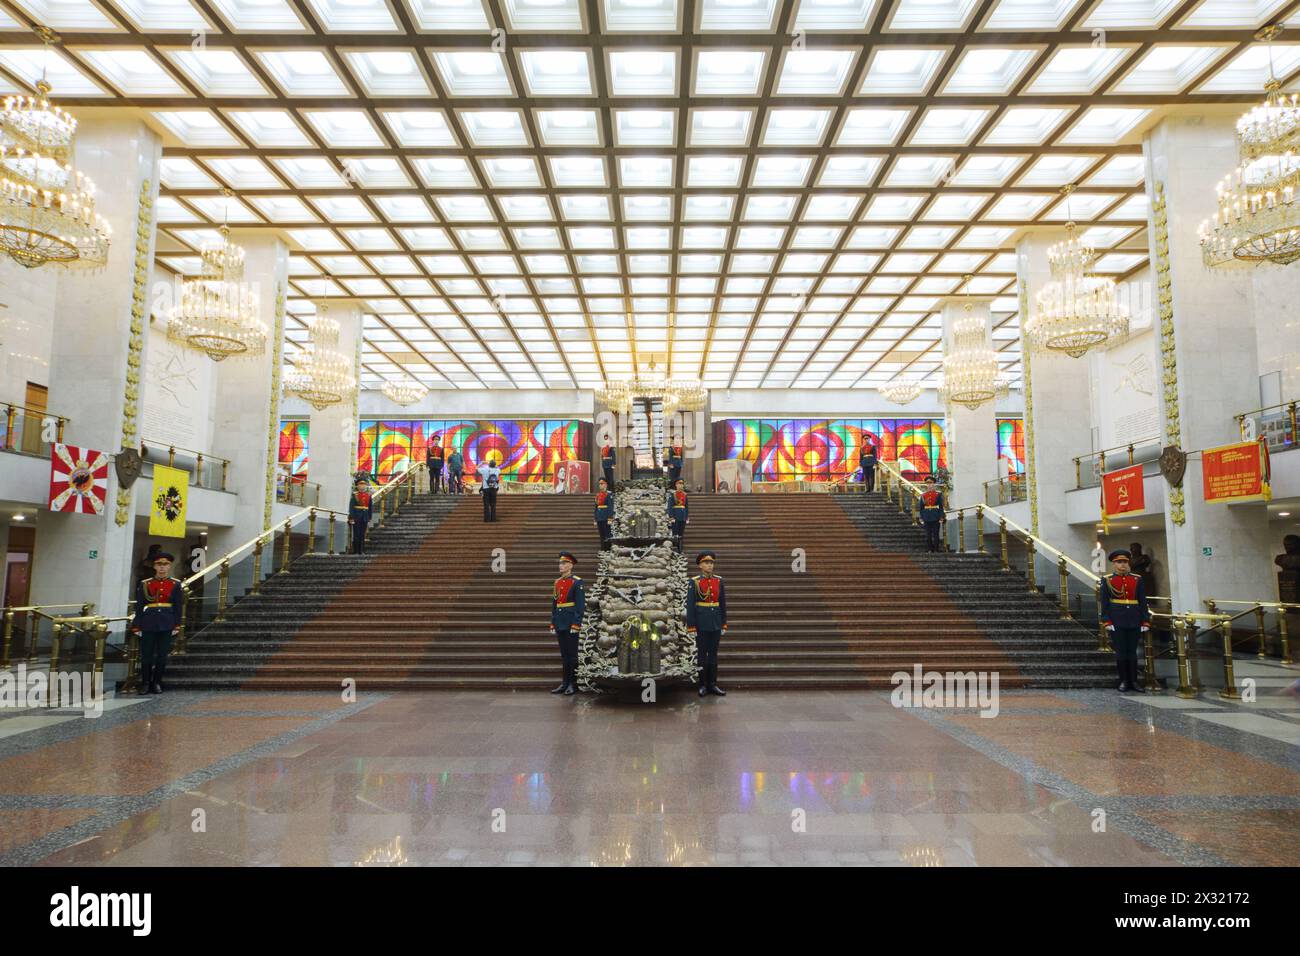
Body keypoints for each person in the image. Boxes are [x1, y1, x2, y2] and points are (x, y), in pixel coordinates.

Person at [130, 551, 184, 695]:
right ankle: (146, 683)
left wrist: (177, 624)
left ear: (169, 566)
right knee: (146, 655)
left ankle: (157, 682)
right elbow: (140, 606)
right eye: (159, 564)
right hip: (148, 622)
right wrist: (136, 624)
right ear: (154, 566)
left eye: (165, 564)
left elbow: (178, 606)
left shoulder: (175, 584)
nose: (162, 567)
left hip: (167, 623)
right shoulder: (146, 584)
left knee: (162, 656)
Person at [1100, 548, 1151, 694]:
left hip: (1134, 618)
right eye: (1119, 562)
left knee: (1132, 652)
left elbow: (1142, 601)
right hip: (1117, 620)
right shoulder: (1108, 580)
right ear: (1114, 564)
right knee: (1121, 652)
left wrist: (1145, 621)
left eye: (1125, 562)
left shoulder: (1137, 579)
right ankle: (1123, 680)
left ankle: (1134, 681)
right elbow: (1105, 602)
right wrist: (1106, 621)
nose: (1122, 565)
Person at [687, 551, 728, 697]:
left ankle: (713, 684)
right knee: (702, 655)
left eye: (711, 563)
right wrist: (691, 626)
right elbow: (690, 605)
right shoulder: (695, 582)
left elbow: (722, 603)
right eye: (706, 563)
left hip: (715, 623)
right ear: (700, 565)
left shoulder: (719, 581)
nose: (709, 565)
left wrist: (724, 624)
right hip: (701, 624)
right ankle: (703, 685)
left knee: (713, 655)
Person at [549, 551, 585, 696]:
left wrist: (576, 624)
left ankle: (573, 683)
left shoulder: (577, 582)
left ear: (570, 565)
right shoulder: (557, 582)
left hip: (571, 623)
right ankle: (564, 683)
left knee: (572, 654)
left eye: (563, 563)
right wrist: (553, 623)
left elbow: (580, 606)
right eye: (560, 563)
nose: (561, 565)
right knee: (564, 655)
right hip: (560, 622)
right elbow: (555, 604)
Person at [919, 476, 945, 552]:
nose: (929, 485)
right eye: (927, 483)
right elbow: (921, 508)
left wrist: (941, 516)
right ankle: (930, 549)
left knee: (936, 534)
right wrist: (921, 517)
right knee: (928, 535)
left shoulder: (938, 494)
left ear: (934, 484)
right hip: (926, 517)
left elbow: (941, 506)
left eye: (931, 483)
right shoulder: (923, 495)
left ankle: (936, 549)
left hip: (936, 516)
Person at [349, 477, 373, 554]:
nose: (362, 486)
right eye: (361, 484)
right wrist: (351, 517)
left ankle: (361, 550)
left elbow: (370, 507)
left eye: (364, 484)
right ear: (357, 486)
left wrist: (369, 517)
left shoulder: (368, 495)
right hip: (356, 517)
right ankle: (356, 551)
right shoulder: (355, 495)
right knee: (356, 534)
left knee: (362, 535)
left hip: (364, 517)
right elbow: (351, 507)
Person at [477, 457, 501, 522]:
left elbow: (477, 468)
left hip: (486, 489)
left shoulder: (484, 469)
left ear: (489, 465)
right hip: (494, 489)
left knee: (486, 504)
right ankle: (493, 519)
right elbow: (498, 467)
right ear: (494, 465)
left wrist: (482, 463)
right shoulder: (497, 470)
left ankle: (487, 519)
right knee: (493, 504)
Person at [668, 477, 689, 552]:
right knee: (675, 534)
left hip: (682, 516)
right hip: (675, 516)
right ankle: (675, 548)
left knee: (681, 534)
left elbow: (686, 507)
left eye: (682, 483)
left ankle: (680, 549)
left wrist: (686, 517)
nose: (681, 485)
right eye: (679, 483)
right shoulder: (673, 494)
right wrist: (671, 517)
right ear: (676, 485)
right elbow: (670, 507)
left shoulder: (685, 495)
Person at [594, 477, 614, 550]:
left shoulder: (609, 494)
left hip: (606, 517)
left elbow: (610, 507)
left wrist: (610, 518)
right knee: (601, 535)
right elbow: (596, 507)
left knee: (607, 534)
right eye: (599, 484)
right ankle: (603, 548)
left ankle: (608, 549)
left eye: (602, 483)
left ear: (606, 484)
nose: (600, 485)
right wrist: (595, 518)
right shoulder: (598, 495)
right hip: (600, 517)